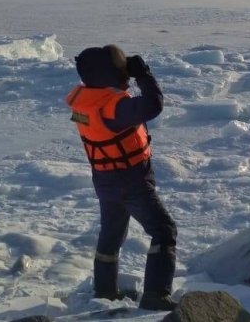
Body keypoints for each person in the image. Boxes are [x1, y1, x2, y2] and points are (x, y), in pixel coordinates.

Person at [66, 44, 178, 311]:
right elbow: (153, 105)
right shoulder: (113, 106)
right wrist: (143, 74)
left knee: (112, 235)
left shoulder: (85, 98)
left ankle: (104, 293)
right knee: (163, 231)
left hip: (104, 179)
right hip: (131, 180)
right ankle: (155, 296)